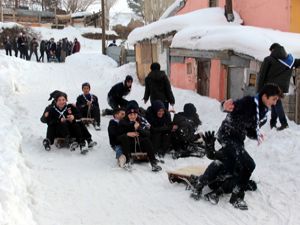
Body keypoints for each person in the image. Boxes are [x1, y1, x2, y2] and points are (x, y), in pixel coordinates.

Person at [191, 84, 283, 210]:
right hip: (227, 136)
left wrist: (256, 135)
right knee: (249, 164)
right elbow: (229, 106)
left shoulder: (263, 114)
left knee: (231, 164)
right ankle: (235, 197)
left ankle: (212, 188)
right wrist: (224, 105)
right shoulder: (248, 102)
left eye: (276, 100)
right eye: (274, 99)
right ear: (265, 96)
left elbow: (249, 131)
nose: (275, 103)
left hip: (238, 140)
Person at [257, 43, 300, 131]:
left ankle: (284, 123)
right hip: (282, 87)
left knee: (276, 104)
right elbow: (298, 62)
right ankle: (273, 123)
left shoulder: (268, 59)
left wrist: (259, 89)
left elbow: (262, 76)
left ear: (273, 50)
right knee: (274, 104)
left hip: (271, 87)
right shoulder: (290, 60)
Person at [118, 102, 162, 172]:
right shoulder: (123, 122)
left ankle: (153, 163)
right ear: (127, 114)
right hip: (129, 147)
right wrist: (127, 134)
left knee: (146, 139)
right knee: (124, 137)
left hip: (140, 146)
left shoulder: (141, 120)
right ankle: (127, 161)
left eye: (135, 114)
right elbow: (118, 137)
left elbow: (148, 134)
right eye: (131, 114)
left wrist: (139, 128)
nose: (133, 116)